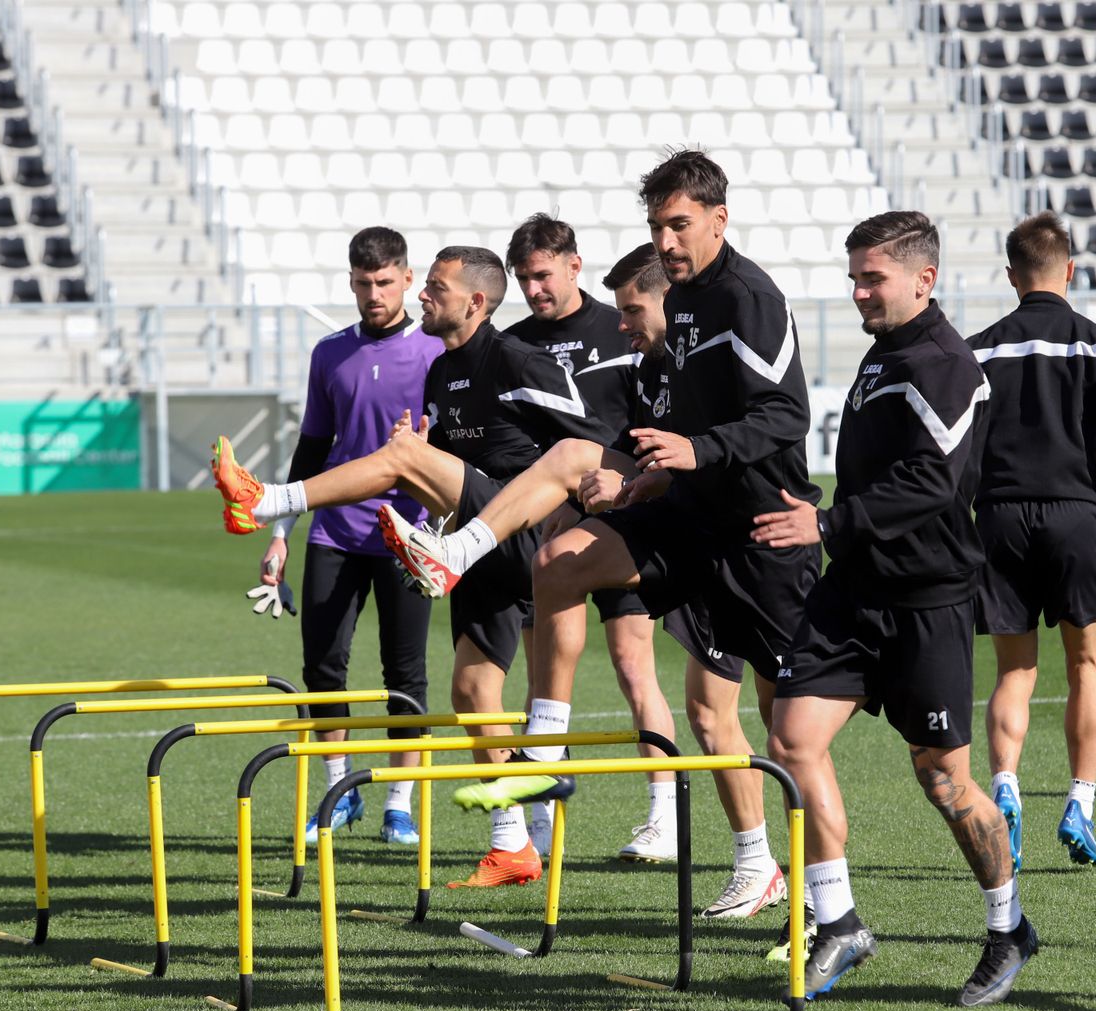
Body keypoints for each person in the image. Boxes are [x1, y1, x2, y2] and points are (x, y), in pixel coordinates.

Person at [416, 150, 820, 950]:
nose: (626, 329)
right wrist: (635, 484)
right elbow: (647, 455)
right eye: (657, 227)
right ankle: (545, 750)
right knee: (559, 556)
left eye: (635, 314)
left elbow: (784, 418)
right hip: (690, 528)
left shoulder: (743, 301)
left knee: (772, 729)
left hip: (763, 536)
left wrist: (685, 458)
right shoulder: (654, 364)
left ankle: (814, 895)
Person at [212, 245, 612, 888]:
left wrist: (576, 513)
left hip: (519, 527)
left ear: (475, 302)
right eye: (424, 286)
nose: (423, 296)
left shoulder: (514, 358)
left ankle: (269, 501)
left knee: (400, 455)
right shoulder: (441, 372)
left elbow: (591, 442)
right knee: (472, 694)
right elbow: (442, 478)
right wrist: (427, 504)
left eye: (435, 287)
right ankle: (512, 847)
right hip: (476, 543)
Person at [762, 210, 1037, 1005]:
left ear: (925, 278)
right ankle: (839, 919)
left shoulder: (947, 363)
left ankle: (1008, 925)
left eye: (872, 278)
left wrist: (828, 521)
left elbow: (937, 484)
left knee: (946, 781)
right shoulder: (886, 355)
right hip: (853, 591)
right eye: (854, 278)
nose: (858, 293)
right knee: (791, 735)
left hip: (927, 600)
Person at [245, 227, 438, 844]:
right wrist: (282, 534)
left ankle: (399, 807)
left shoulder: (437, 350)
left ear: (408, 278)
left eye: (385, 282)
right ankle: (339, 789)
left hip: (409, 534)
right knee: (323, 668)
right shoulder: (329, 353)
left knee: (405, 676)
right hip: (334, 533)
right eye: (363, 283)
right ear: (351, 282)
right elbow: (311, 448)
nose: (374, 293)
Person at [966, 212, 1096, 870]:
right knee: (1086, 666)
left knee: (1015, 670)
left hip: (1000, 516)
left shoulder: (978, 348)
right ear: (1070, 269)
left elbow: (957, 439)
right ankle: (1080, 801)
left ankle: (1006, 788)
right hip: (1074, 511)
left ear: (1012, 276)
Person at [502, 214, 680, 863]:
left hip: (623, 511)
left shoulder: (625, 323)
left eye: (543, 274)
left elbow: (638, 430)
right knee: (544, 670)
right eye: (523, 278)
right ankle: (540, 831)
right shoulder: (512, 342)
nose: (534, 289)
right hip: (549, 521)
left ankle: (664, 816)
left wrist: (609, 493)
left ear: (574, 266)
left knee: (635, 664)